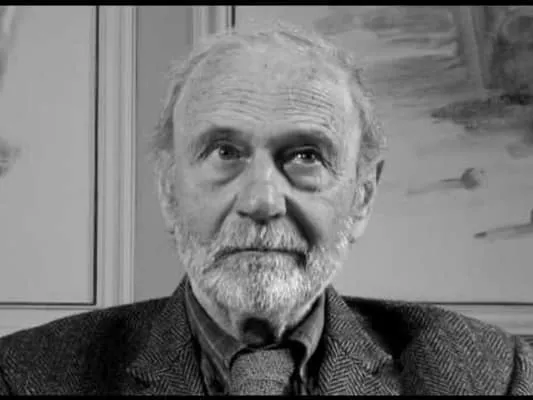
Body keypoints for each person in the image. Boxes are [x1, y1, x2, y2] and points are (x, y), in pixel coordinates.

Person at [1, 22, 533, 396]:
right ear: (168, 189)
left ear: (362, 196)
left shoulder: (489, 376)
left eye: (305, 156)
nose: (260, 201)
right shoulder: (25, 378)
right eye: (224, 153)